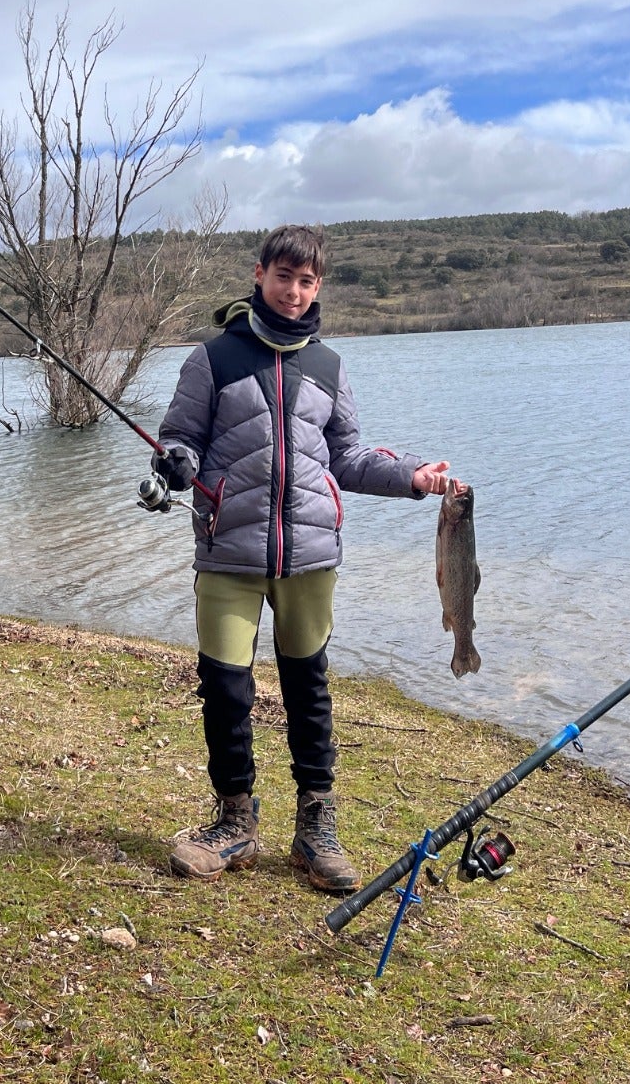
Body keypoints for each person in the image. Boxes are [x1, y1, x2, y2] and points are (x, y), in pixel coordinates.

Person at [154, 223, 449, 893]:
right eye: (283, 276)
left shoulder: (329, 367)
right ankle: (235, 824)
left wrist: (412, 477)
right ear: (259, 275)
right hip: (228, 551)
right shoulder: (212, 360)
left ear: (319, 287)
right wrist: (174, 463)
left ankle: (315, 832)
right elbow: (181, 439)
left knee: (307, 692)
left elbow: (346, 457)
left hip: (311, 556)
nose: (293, 291)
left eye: (307, 280)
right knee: (226, 692)